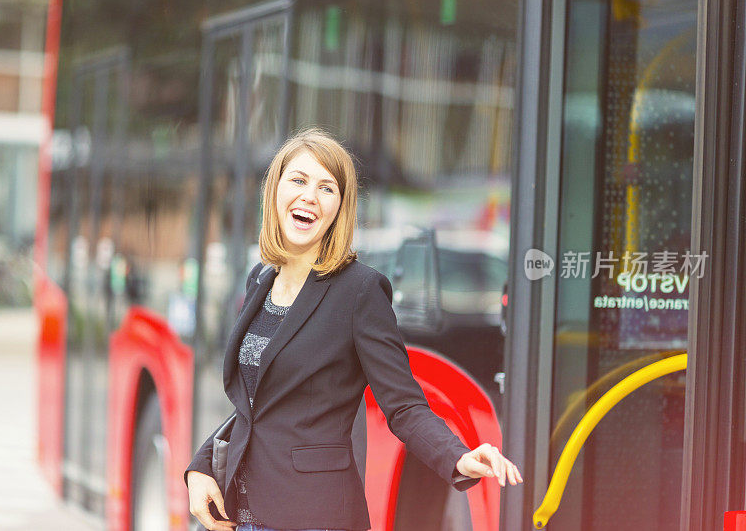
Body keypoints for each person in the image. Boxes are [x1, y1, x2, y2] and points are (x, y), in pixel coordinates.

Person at [185, 128, 522, 531]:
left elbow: (404, 405)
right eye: (298, 180)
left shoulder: (360, 291)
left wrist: (458, 456)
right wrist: (202, 465)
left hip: (315, 518)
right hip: (244, 514)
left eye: (327, 188)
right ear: (275, 191)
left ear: (338, 208)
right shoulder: (260, 280)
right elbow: (255, 404)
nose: (310, 195)